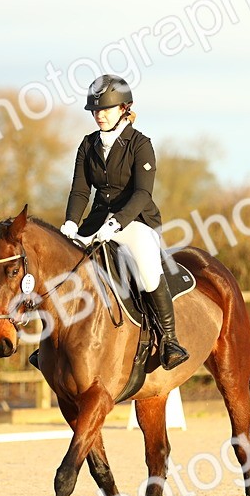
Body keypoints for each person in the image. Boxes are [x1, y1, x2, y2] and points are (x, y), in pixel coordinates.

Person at [53, 73, 189, 370]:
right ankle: (51, 343)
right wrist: (71, 225)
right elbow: (79, 189)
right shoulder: (88, 145)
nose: (99, 115)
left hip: (135, 220)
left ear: (125, 108)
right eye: (95, 111)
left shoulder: (140, 144)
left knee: (148, 269)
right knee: (64, 266)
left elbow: (142, 192)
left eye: (105, 110)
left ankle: (169, 339)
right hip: (96, 221)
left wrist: (118, 223)